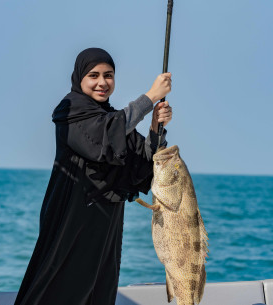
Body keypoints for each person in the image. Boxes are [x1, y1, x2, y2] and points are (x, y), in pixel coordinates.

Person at [14, 48, 173, 305]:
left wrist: (155, 127)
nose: (102, 82)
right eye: (93, 75)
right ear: (80, 78)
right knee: (62, 285)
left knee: (99, 285)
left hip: (106, 221)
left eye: (108, 75)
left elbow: (142, 165)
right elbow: (103, 138)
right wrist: (150, 97)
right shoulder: (70, 111)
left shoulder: (112, 118)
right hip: (73, 218)